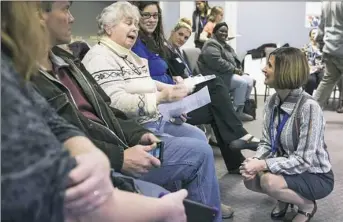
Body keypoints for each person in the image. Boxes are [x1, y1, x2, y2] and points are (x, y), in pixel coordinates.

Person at [33, 1, 221, 220]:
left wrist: (137, 134)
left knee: (195, 140)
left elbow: (106, 110)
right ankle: (201, 206)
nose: (135, 27)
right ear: (109, 27)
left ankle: (201, 203)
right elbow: (101, 114)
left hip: (128, 136)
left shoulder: (70, 61)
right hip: (114, 150)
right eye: (128, 22)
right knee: (199, 153)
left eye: (135, 23)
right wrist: (120, 156)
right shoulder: (98, 57)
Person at [1, 2, 188, 222]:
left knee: (190, 146)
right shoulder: (18, 69)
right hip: (103, 166)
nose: (72, 18)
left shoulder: (70, 61)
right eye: (66, 9)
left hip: (117, 145)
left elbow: (83, 116)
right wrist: (116, 159)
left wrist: (128, 137)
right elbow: (46, 180)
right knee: (195, 155)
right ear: (36, 15)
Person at [241, 47, 334, 222]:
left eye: (269, 65)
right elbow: (267, 143)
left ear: (285, 71)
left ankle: (307, 205)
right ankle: (284, 197)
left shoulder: (309, 107)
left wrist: (262, 164)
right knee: (250, 179)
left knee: (269, 182)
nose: (263, 69)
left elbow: (304, 161)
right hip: (285, 165)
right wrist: (254, 161)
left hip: (315, 174)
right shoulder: (272, 102)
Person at [165, 17, 260, 166]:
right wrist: (177, 80)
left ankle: (235, 162)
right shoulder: (164, 52)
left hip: (186, 91)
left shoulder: (177, 52)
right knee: (217, 90)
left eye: (186, 37)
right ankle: (240, 136)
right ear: (172, 32)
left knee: (218, 107)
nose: (182, 39)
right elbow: (167, 78)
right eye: (180, 34)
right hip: (174, 102)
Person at [197, 22, 255, 121]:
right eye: (221, 31)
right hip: (213, 75)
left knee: (249, 81)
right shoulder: (211, 44)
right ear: (215, 32)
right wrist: (234, 70)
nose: (224, 33)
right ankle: (233, 113)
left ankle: (239, 111)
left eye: (225, 32)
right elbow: (217, 62)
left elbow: (232, 59)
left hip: (225, 72)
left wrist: (239, 71)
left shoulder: (223, 44)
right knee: (242, 83)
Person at [314, 1, 343, 129]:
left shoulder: (327, 1)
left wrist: (321, 44)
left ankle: (310, 113)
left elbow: (321, 26)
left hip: (329, 48)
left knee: (328, 80)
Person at [302, 28, 324, 96]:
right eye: (313, 33)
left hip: (321, 69)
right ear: (310, 36)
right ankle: (308, 99)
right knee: (311, 80)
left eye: (317, 33)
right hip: (310, 69)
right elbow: (302, 60)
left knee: (324, 80)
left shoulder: (323, 47)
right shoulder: (305, 47)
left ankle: (320, 101)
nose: (315, 35)